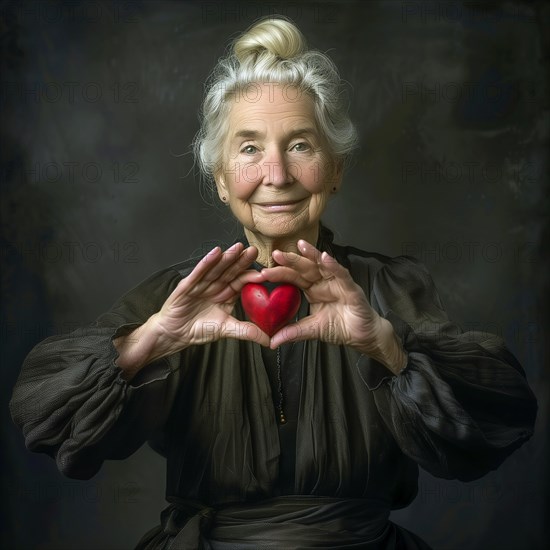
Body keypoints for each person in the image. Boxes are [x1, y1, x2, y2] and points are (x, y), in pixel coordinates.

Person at [9, 16, 537, 550]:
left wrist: (386, 346)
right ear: (219, 179)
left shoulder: (390, 287)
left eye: (301, 145)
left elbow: (500, 423)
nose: (277, 174)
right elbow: (44, 420)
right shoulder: (176, 298)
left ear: (335, 169)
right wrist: (152, 340)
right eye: (249, 148)